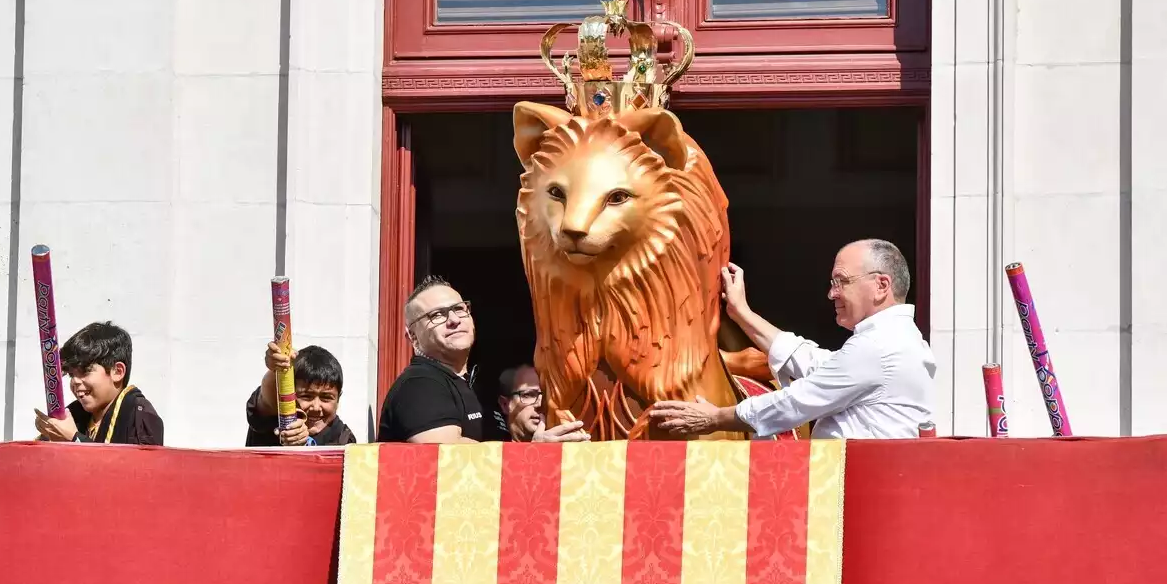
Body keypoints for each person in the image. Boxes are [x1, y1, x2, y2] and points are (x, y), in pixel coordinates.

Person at [651, 239, 936, 439]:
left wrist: (713, 419)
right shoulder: (891, 340)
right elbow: (813, 361)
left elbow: (797, 402)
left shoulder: (879, 346)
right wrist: (742, 313)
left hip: (861, 494)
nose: (832, 293)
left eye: (841, 281)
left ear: (881, 285)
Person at [378, 275, 588, 443]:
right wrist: (533, 456)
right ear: (412, 336)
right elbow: (448, 462)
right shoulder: (420, 385)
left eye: (459, 309)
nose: (454, 320)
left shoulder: (473, 385)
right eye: (437, 315)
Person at [33, 321, 164, 445]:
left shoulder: (140, 417)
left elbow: (135, 468)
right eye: (72, 375)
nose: (75, 381)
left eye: (85, 371)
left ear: (117, 372)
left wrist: (74, 439)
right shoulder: (74, 415)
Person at [245, 343, 356, 447]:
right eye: (306, 396)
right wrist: (277, 368)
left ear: (338, 399)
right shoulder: (271, 418)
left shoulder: (344, 440)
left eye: (326, 398)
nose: (316, 407)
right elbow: (267, 401)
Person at [495, 364, 588, 443]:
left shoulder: (567, 442)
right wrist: (537, 451)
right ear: (505, 405)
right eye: (529, 395)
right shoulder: (492, 453)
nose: (540, 404)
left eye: (547, 395)